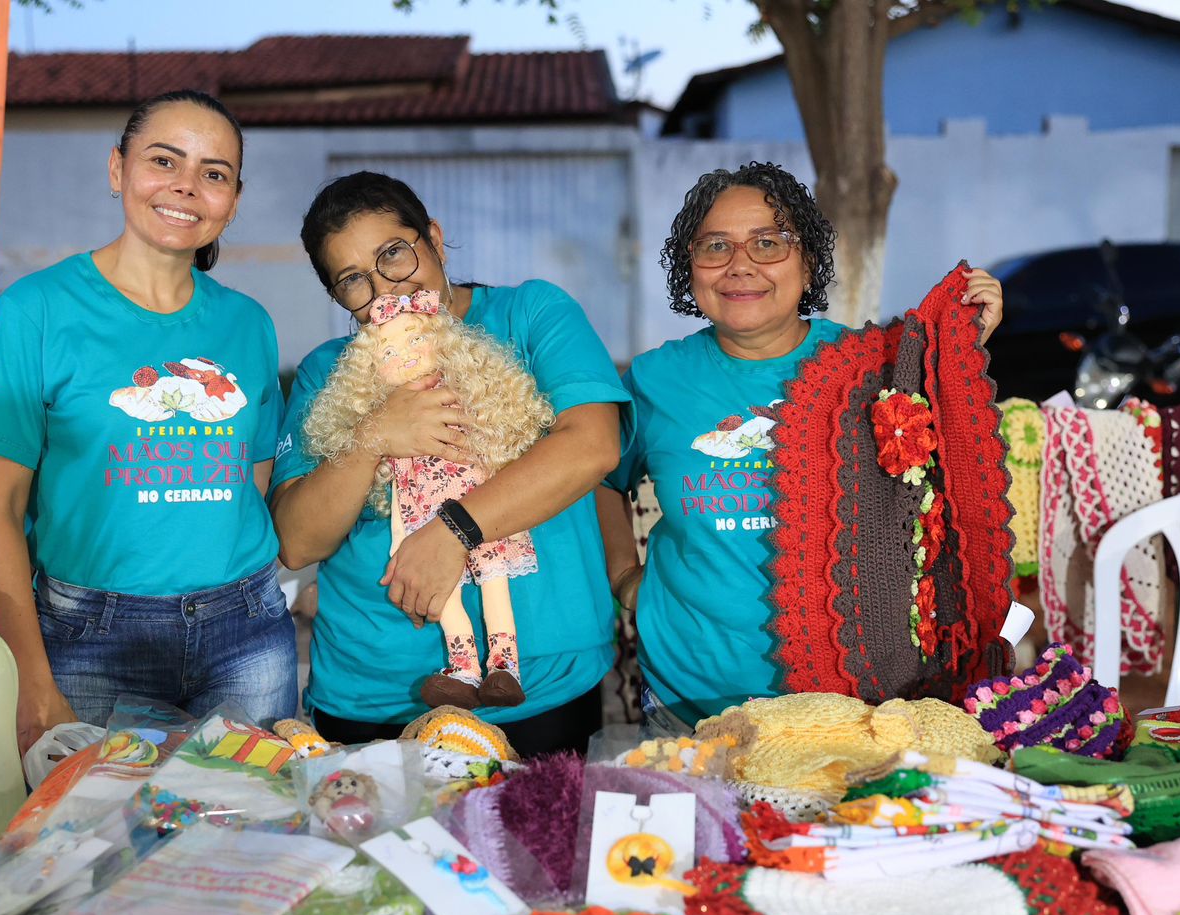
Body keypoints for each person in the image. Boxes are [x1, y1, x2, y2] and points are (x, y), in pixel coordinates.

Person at [597, 161, 1004, 728]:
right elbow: (597, 477)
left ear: (808, 260)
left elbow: (946, 461)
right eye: (715, 246)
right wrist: (624, 577)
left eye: (769, 243)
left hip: (850, 699)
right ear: (689, 266)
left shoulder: (873, 367)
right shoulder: (653, 380)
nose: (741, 265)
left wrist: (958, 347)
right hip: (689, 696)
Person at [0, 89, 295, 751]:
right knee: (89, 842)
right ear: (117, 171)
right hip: (90, 638)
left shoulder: (248, 324)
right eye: (164, 161)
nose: (187, 187)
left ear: (233, 199)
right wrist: (30, 673)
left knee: (253, 833)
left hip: (246, 631)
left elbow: (247, 484)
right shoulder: (37, 310)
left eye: (214, 174)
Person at [272, 171, 629, 756]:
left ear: (434, 239)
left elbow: (592, 445)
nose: (384, 290)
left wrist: (453, 532)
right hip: (373, 691)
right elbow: (296, 540)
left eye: (394, 254)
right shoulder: (327, 370)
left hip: (540, 684)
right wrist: (374, 435)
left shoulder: (531, 314)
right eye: (353, 281)